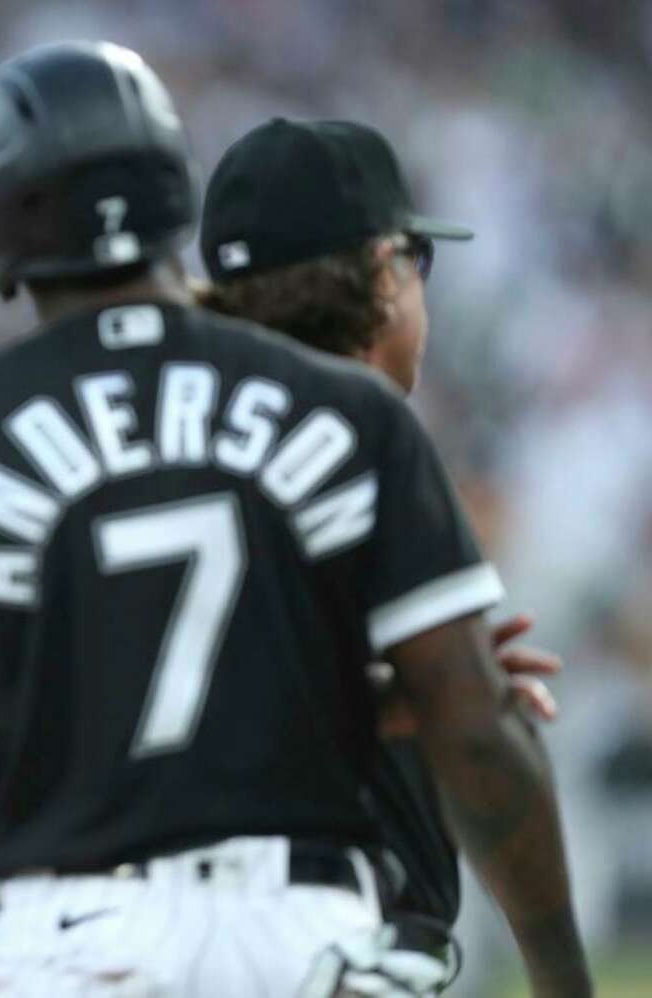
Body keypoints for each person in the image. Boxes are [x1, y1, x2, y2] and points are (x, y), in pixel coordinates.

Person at [0, 43, 591, 996]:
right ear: (174, 192)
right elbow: (478, 731)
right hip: (302, 930)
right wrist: (563, 977)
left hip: (75, 936)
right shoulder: (348, 409)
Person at [197, 117, 565, 994]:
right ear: (380, 272)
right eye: (416, 262)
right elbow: (481, 747)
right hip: (337, 935)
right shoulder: (364, 441)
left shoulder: (166, 453)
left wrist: (380, 689)